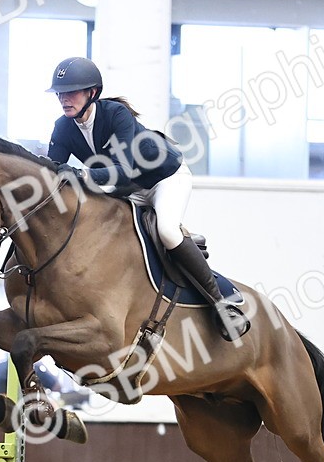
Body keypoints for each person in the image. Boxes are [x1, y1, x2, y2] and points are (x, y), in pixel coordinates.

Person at [46, 57, 249, 341]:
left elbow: (126, 170)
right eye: (60, 93)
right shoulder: (63, 127)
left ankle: (221, 304)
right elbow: (53, 173)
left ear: (92, 93)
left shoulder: (116, 114)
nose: (64, 99)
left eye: (71, 92)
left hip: (164, 179)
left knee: (166, 230)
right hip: (126, 191)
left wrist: (79, 174)